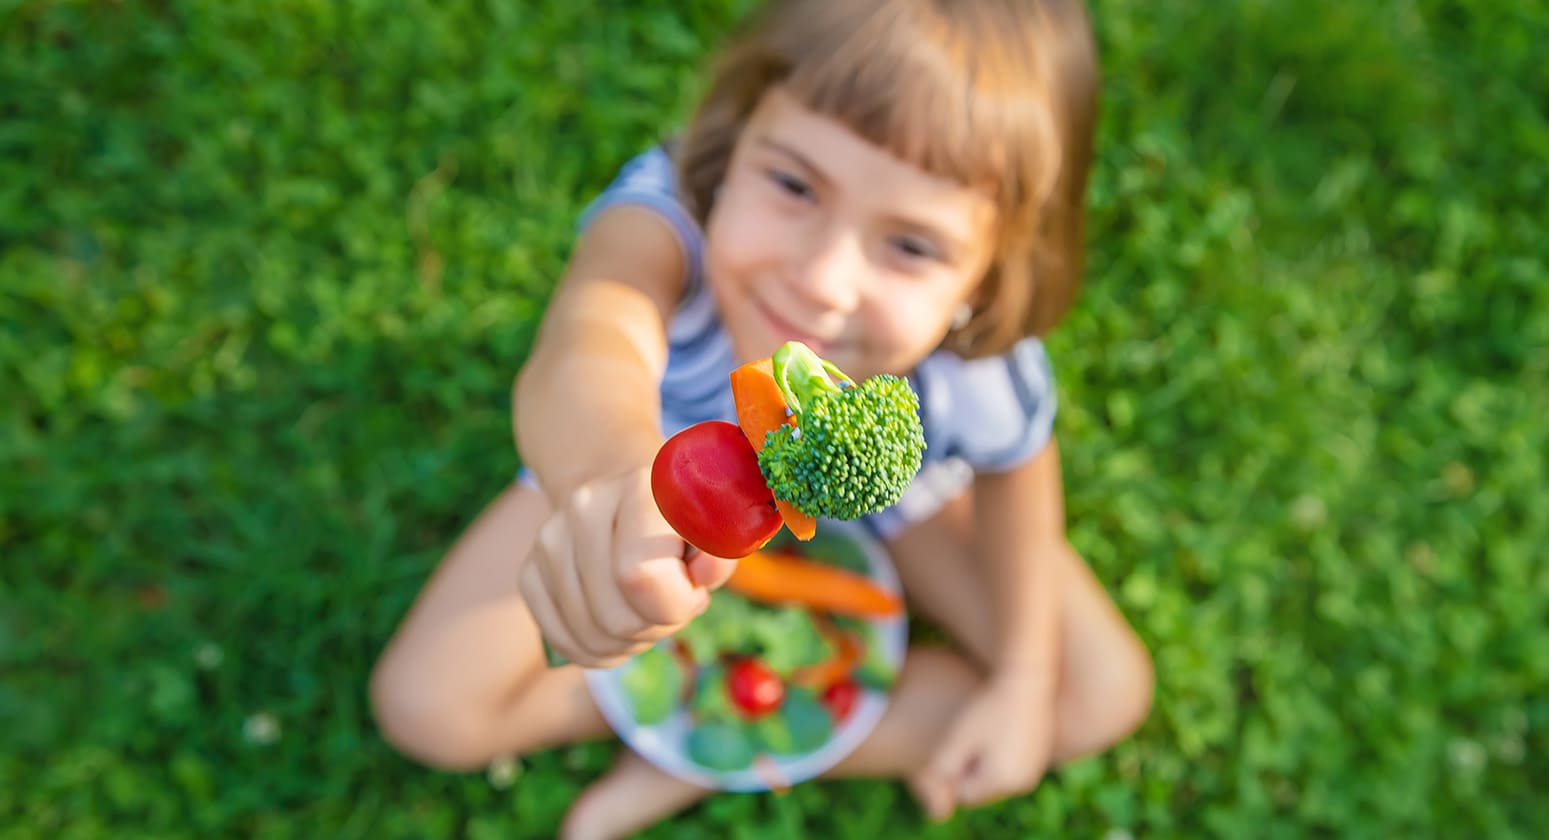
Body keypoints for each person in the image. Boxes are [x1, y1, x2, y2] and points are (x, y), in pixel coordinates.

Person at [370, 0, 1153, 836]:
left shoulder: (970, 363)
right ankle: (712, 723)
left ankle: (701, 748)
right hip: (654, 459)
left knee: (1096, 693)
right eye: (792, 184)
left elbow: (1016, 465)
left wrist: (1025, 678)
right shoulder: (663, 223)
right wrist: (608, 478)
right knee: (427, 707)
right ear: (734, 136)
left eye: (912, 246)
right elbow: (587, 348)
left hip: (892, 503)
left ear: (987, 279)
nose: (821, 278)